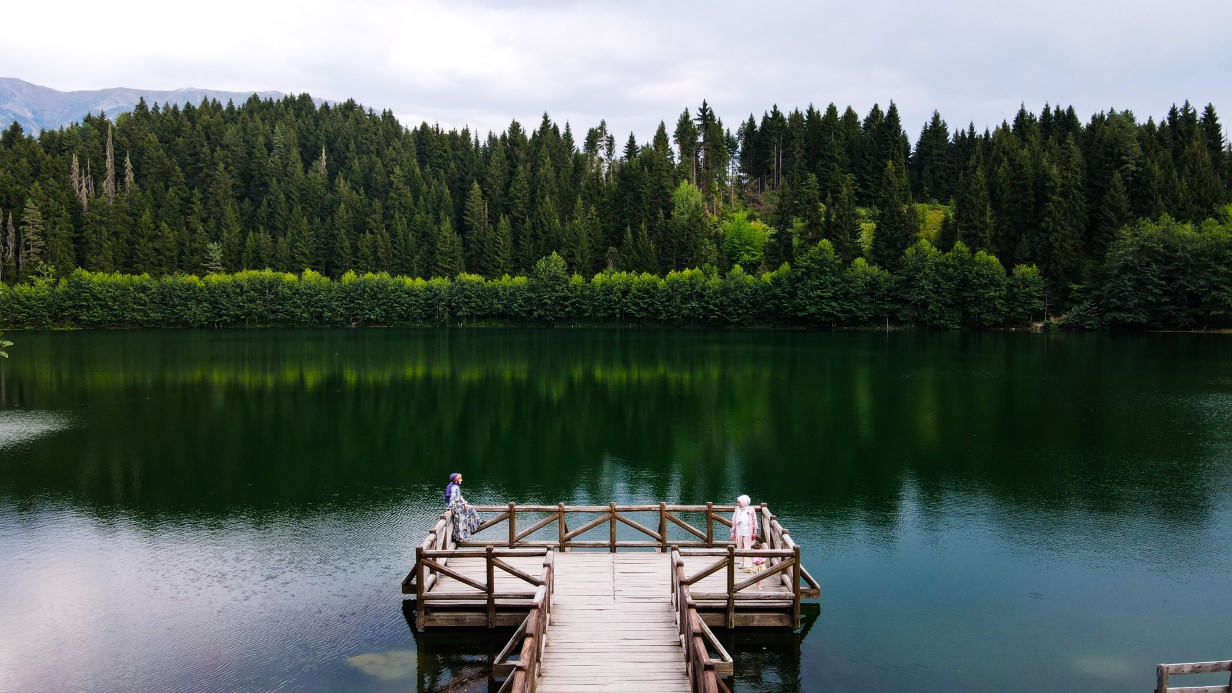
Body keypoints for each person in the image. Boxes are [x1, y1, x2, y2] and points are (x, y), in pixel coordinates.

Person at [444, 473, 480, 541]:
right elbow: (453, 498)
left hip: (459, 507)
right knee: (459, 522)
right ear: (456, 480)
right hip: (457, 508)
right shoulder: (455, 488)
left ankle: (476, 522)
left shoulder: (455, 487)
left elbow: (460, 497)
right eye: (460, 478)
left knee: (470, 510)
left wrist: (464, 503)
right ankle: (459, 537)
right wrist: (450, 509)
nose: (461, 480)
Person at [730, 494, 758, 571]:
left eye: (740, 502)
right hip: (739, 531)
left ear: (744, 502)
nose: (738, 504)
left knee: (747, 548)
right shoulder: (737, 510)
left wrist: (755, 531)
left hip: (748, 531)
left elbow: (754, 520)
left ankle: (748, 565)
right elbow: (734, 521)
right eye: (738, 502)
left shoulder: (751, 510)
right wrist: (732, 532)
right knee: (740, 547)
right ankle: (742, 563)